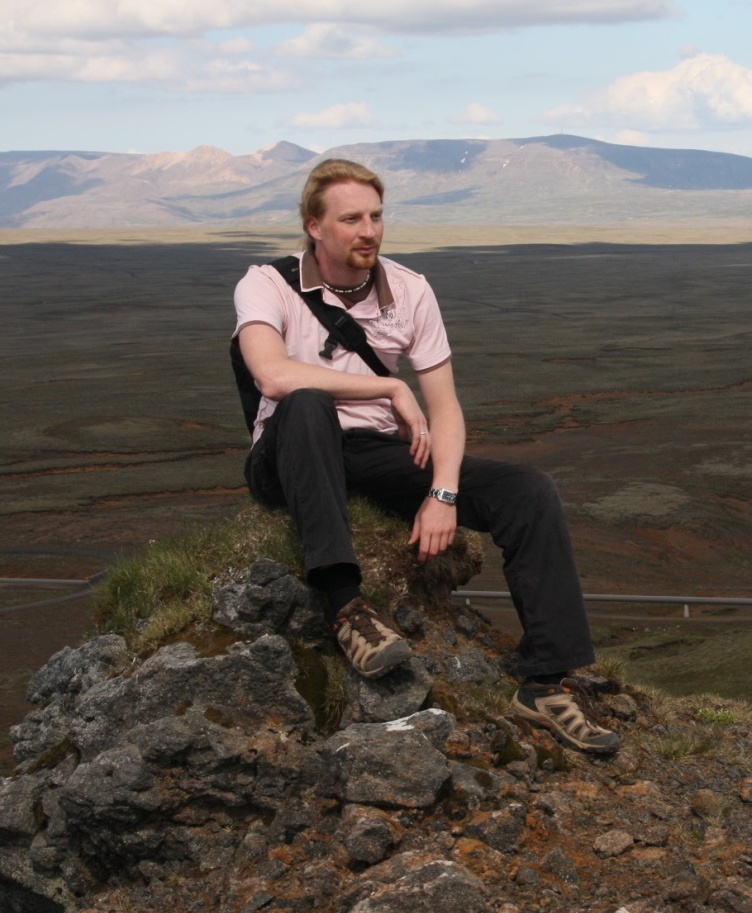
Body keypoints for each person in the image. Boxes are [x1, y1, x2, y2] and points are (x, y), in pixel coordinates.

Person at [233, 158, 619, 755]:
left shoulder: (409, 290)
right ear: (314, 225)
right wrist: (389, 387)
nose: (369, 230)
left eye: (377, 216)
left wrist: (442, 493)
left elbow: (445, 410)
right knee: (308, 401)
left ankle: (545, 681)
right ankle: (345, 608)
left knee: (529, 490)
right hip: (288, 452)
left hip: (369, 453)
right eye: (351, 218)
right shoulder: (266, 283)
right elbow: (274, 375)